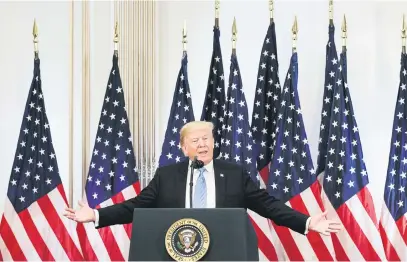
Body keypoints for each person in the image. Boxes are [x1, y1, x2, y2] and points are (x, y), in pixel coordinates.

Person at [64, 121, 342, 236]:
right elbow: (136, 206)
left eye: (207, 138)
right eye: (195, 141)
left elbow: (268, 205)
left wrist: (305, 221)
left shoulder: (233, 174)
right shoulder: (168, 175)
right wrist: (96, 215)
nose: (203, 144)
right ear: (184, 148)